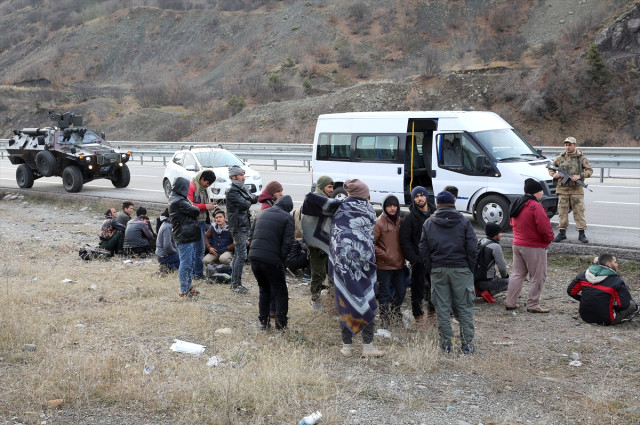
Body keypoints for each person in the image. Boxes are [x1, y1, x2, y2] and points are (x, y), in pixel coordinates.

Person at [302, 179, 384, 358]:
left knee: (345, 301)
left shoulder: (339, 207)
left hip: (342, 264)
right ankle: (368, 347)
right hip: (364, 264)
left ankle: (347, 348)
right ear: (364, 195)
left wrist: (338, 201)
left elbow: (309, 202)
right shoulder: (369, 210)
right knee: (366, 300)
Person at [419, 190, 478, 355]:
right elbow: (473, 248)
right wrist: (468, 268)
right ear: (453, 203)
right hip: (461, 268)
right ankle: (467, 345)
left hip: (438, 269)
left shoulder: (429, 223)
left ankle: (446, 345)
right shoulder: (464, 222)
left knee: (442, 309)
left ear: (437, 204)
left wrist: (432, 268)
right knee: (465, 307)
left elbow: (423, 249)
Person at [505, 178, 555, 313]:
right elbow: (544, 227)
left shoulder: (518, 203)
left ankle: (510, 302)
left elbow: (511, 223)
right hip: (533, 246)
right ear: (535, 192)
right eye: (540, 191)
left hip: (517, 243)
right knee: (538, 276)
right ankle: (533, 305)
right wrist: (549, 239)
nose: (542, 194)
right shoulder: (534, 206)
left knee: (517, 274)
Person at [249, 195, 295, 330]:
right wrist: (281, 259)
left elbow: (251, 237)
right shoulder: (287, 218)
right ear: (288, 208)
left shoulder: (261, 213)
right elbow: (288, 243)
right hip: (272, 259)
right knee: (281, 291)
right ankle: (281, 324)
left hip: (254, 257)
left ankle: (263, 322)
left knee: (264, 289)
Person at [568, 254, 639, 325]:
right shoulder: (617, 281)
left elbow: (571, 291)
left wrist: (588, 298)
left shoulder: (584, 275)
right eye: (615, 262)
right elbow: (623, 305)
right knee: (632, 305)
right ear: (608, 264)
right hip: (606, 319)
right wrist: (608, 303)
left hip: (585, 316)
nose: (617, 265)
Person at [399, 186, 436, 321]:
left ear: (426, 196)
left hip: (435, 258)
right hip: (419, 260)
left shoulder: (436, 213)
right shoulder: (410, 218)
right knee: (417, 289)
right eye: (416, 196)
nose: (419, 198)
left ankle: (433, 312)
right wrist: (414, 259)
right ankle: (418, 316)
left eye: (421, 195)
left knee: (435, 287)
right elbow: (405, 241)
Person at [550, 136, 593, 243]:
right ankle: (562, 233)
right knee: (562, 212)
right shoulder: (560, 157)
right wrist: (554, 174)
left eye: (570, 145)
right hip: (562, 189)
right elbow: (551, 167)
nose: (567, 147)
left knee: (579, 212)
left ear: (574, 145)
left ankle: (581, 234)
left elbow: (590, 171)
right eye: (566, 145)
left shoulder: (581, 157)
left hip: (576, 190)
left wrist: (580, 176)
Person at [374, 194, 405, 326]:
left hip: (399, 265)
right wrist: (385, 255)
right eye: (389, 206)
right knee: (385, 293)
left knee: (401, 292)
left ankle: (396, 313)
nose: (392, 208)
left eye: (394, 205)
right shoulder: (379, 222)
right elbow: (371, 244)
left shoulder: (400, 221)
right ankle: (385, 319)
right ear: (384, 207)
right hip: (384, 266)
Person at [226, 165, 258, 294]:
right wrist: (249, 198)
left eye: (243, 174)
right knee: (241, 255)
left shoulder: (242, 187)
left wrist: (249, 198)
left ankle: (235, 283)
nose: (243, 177)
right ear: (233, 177)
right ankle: (236, 284)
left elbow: (254, 198)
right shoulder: (231, 190)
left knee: (239, 255)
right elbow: (246, 204)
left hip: (244, 224)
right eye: (240, 175)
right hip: (238, 226)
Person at [169, 177, 202, 298]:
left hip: (187, 235)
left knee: (191, 262)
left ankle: (188, 287)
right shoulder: (178, 201)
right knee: (186, 264)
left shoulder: (179, 198)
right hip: (183, 236)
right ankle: (184, 291)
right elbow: (196, 210)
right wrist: (193, 205)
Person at [307, 175, 335, 303]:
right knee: (318, 274)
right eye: (329, 187)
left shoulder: (326, 201)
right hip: (316, 247)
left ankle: (332, 300)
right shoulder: (315, 202)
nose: (332, 189)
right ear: (322, 187)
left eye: (332, 187)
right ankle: (315, 299)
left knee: (332, 274)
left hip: (327, 244)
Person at [188, 170, 217, 279]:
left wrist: (208, 205)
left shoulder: (202, 189)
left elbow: (200, 204)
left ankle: (197, 273)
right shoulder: (192, 187)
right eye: (207, 183)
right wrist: (205, 206)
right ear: (202, 179)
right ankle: (197, 273)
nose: (207, 186)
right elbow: (190, 205)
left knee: (199, 249)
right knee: (198, 249)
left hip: (201, 221)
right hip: (194, 222)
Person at [474, 222, 509, 303]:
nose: (501, 234)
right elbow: (502, 267)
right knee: (512, 282)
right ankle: (488, 293)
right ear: (495, 234)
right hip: (486, 282)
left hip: (474, 279)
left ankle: (477, 290)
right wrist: (505, 277)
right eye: (499, 233)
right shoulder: (495, 246)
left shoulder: (480, 241)